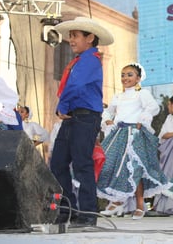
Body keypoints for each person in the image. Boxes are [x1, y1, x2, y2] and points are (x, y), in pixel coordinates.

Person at [50, 16, 114, 226]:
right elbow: (73, 87)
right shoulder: (79, 61)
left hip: (85, 116)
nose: (71, 40)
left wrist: (62, 106)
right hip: (74, 116)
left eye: (75, 35)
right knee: (58, 162)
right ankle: (68, 209)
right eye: (70, 36)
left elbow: (76, 86)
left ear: (90, 38)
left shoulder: (89, 59)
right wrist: (64, 107)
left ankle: (88, 213)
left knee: (82, 163)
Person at [97, 63, 171, 220]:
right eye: (123, 75)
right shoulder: (118, 96)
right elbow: (108, 112)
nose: (125, 78)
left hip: (134, 134)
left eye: (130, 75)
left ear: (138, 78)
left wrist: (142, 120)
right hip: (118, 134)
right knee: (108, 164)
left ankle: (139, 205)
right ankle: (117, 200)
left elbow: (153, 107)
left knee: (135, 169)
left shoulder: (142, 94)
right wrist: (108, 121)